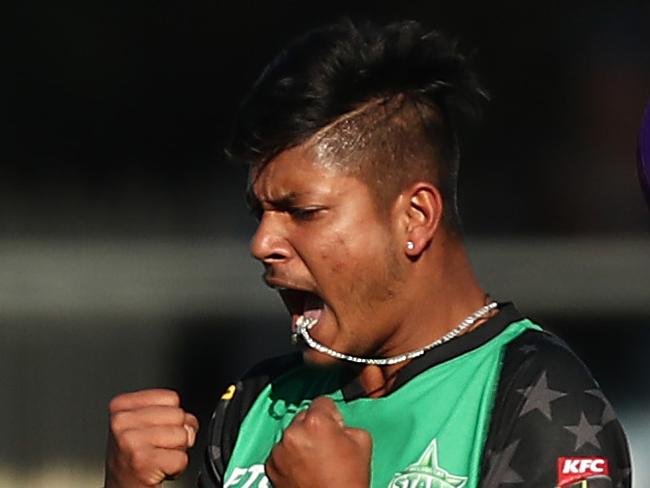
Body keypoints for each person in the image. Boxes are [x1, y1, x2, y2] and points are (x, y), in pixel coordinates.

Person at [104, 20, 632, 488]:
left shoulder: (538, 403)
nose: (262, 243)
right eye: (259, 213)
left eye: (303, 211)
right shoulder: (256, 405)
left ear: (415, 218)